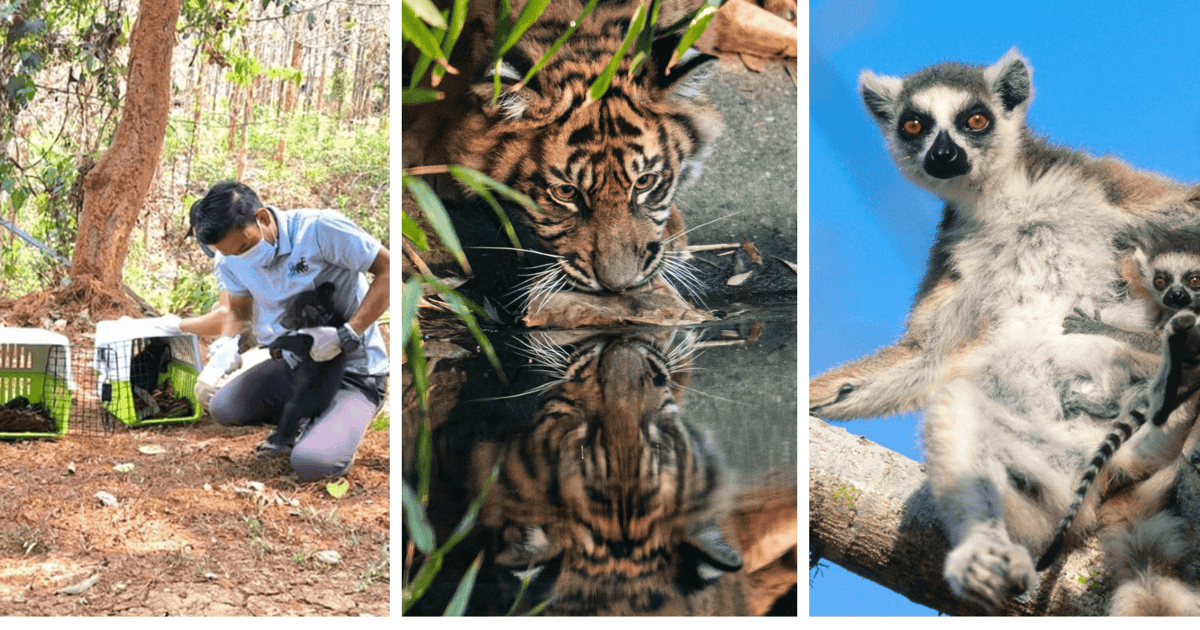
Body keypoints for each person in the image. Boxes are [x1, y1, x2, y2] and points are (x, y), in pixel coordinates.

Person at [150, 180, 389, 482]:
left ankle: (341, 421)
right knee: (224, 408)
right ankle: (317, 420)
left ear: (262, 218)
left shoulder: (319, 230)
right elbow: (238, 311)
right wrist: (228, 343)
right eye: (231, 254)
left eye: (245, 247)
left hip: (354, 371)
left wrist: (348, 333)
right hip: (297, 365)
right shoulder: (229, 258)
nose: (242, 258)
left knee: (311, 464)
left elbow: (388, 269)